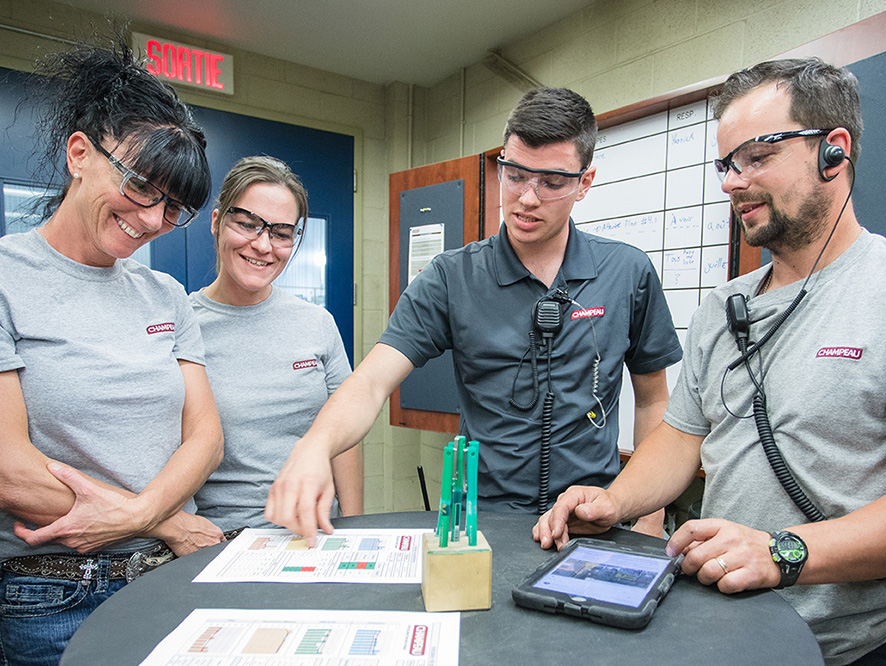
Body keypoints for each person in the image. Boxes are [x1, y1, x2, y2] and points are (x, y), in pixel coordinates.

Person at [534, 58, 886, 665]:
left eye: (756, 157)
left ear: (833, 151)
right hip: (722, 632)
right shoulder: (722, 307)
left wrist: (783, 552)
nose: (731, 182)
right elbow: (680, 440)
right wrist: (614, 502)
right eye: (727, 164)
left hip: (846, 647)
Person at [266, 87, 682, 544]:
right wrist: (315, 446)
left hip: (596, 519)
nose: (526, 197)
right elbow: (371, 381)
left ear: (584, 182)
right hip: (485, 526)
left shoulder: (627, 272)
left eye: (551, 182)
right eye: (515, 174)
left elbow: (652, 400)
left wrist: (648, 516)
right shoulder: (452, 277)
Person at [0, 36, 224, 666]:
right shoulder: (6, 278)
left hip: (168, 579)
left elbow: (205, 435)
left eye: (172, 206)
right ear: (79, 153)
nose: (152, 218)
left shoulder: (166, 296)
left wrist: (147, 518)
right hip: (52, 591)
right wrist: (166, 520)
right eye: (141, 184)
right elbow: (9, 469)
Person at [190, 156, 360, 531]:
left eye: (281, 233)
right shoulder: (183, 325)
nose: (263, 245)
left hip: (314, 534)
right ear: (217, 222)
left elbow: (345, 436)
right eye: (248, 225)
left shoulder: (317, 323)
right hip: (219, 540)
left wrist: (354, 525)